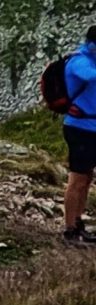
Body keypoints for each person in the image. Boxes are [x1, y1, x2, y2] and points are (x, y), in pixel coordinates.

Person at [62, 27, 96, 242]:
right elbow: (89, 76)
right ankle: (69, 229)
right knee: (77, 179)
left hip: (92, 127)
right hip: (79, 128)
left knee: (87, 177)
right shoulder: (78, 61)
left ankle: (78, 222)